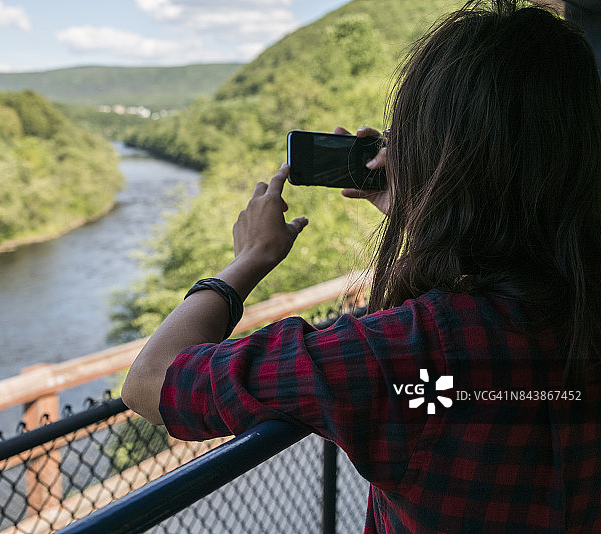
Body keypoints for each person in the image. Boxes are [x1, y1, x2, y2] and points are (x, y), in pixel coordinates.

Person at [121, 0, 601, 532]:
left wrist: (248, 260)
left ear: (437, 159)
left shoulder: (406, 350)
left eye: (406, 138)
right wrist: (424, 204)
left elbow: (152, 383)